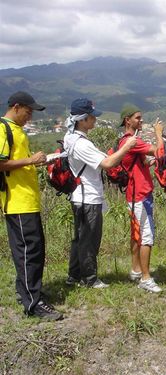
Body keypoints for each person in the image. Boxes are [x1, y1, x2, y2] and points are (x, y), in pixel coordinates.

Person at [0, 91, 62, 320]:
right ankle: (33, 304)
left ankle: (27, 292)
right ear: (16, 107)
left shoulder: (17, 131)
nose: (30, 117)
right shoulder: (3, 129)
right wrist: (30, 160)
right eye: (28, 112)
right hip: (17, 202)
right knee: (29, 252)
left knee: (33, 250)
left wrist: (34, 163)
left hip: (27, 200)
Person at [63, 98, 137, 288]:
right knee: (89, 239)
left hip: (80, 196)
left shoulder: (71, 138)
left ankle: (74, 276)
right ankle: (90, 278)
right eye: (91, 117)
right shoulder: (81, 144)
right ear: (82, 120)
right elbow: (107, 164)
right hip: (88, 197)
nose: (94, 120)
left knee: (79, 238)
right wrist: (126, 147)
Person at [119, 104, 163, 293]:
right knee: (146, 236)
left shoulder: (125, 141)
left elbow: (139, 162)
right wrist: (158, 133)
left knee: (136, 234)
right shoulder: (132, 141)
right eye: (137, 118)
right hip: (140, 195)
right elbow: (159, 151)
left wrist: (147, 163)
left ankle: (136, 269)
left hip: (134, 194)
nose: (141, 120)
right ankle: (145, 278)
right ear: (127, 120)